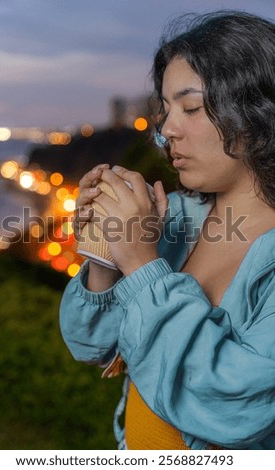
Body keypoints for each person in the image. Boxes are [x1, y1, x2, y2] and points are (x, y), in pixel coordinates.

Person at [59, 10, 275, 450]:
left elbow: (238, 407)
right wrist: (106, 255)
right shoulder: (173, 217)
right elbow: (92, 346)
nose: (165, 131)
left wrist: (140, 262)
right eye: (165, 110)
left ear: (256, 113)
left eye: (190, 107)